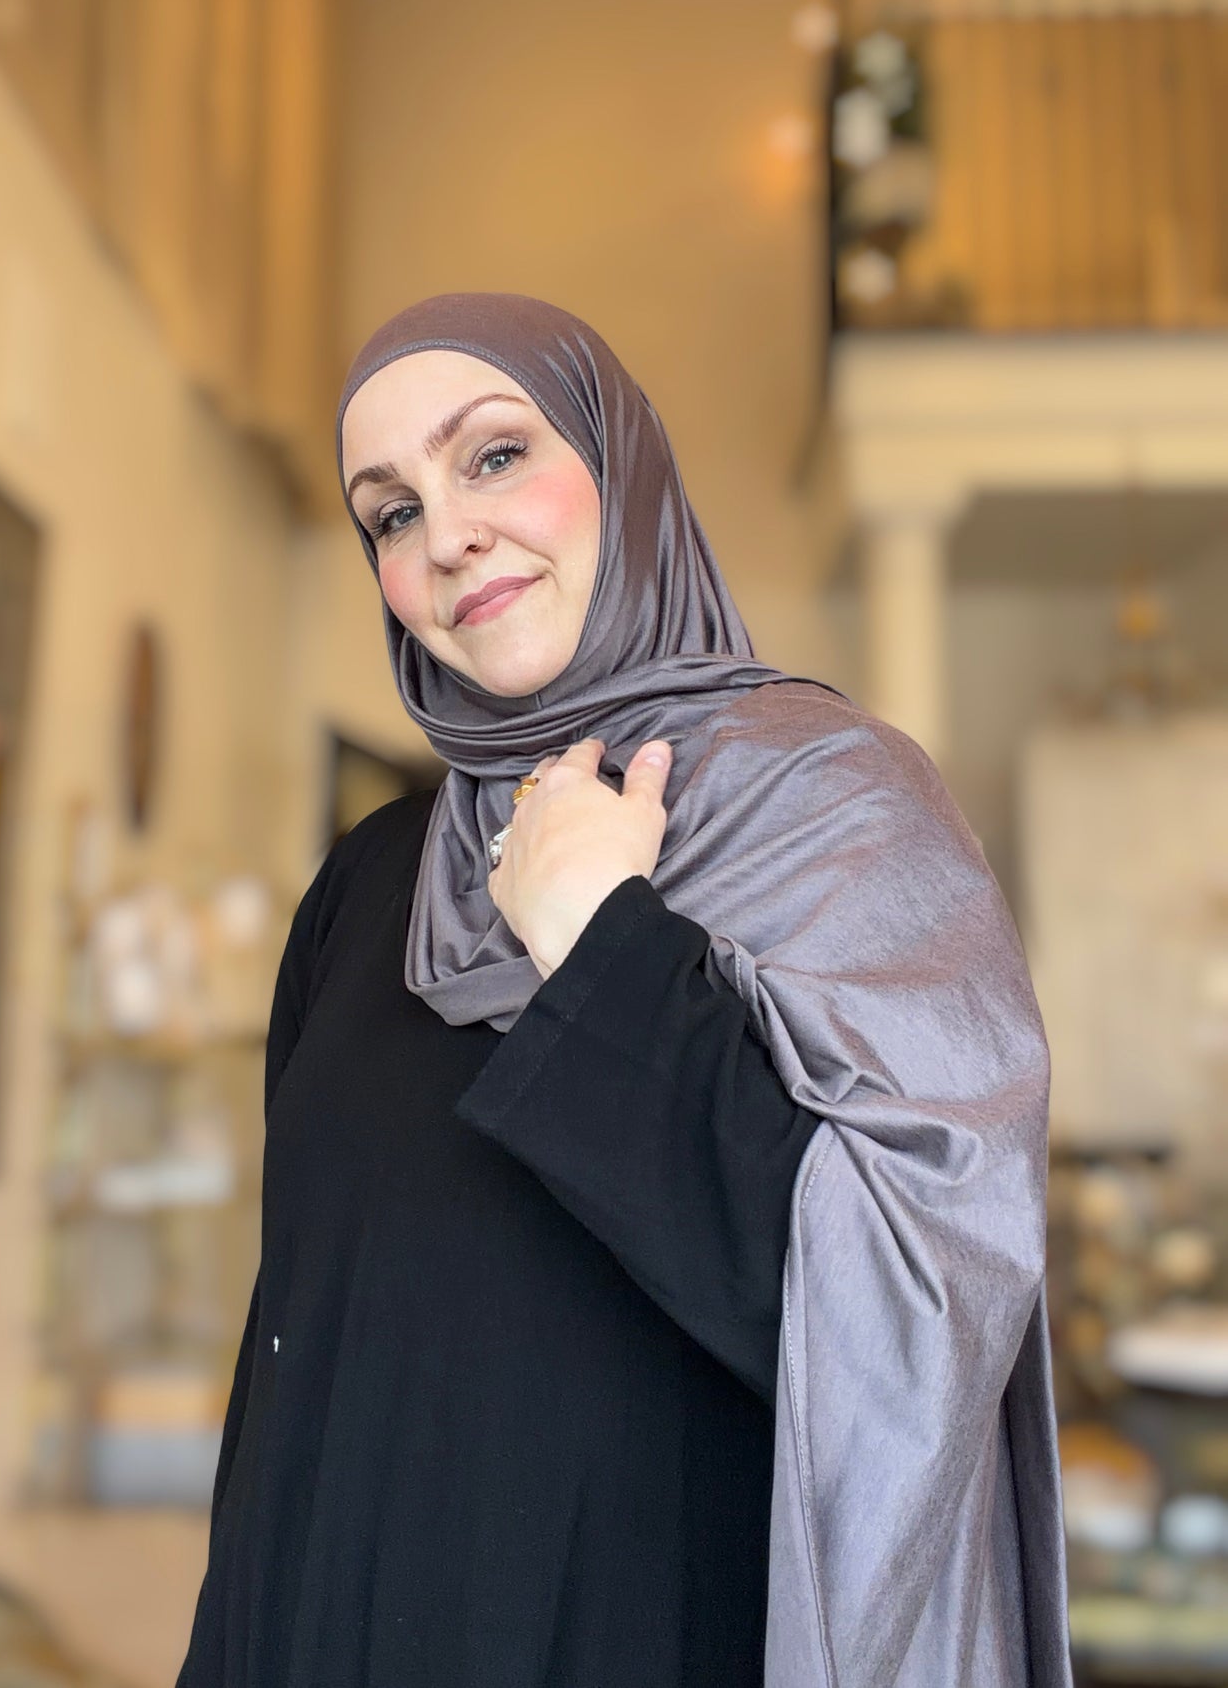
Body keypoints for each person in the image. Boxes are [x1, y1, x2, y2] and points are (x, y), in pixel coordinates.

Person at [175, 293, 1071, 1688]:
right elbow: (292, 1355)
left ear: (620, 464)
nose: (446, 534)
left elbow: (908, 1327)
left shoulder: (838, 811)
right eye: (388, 513)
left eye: (490, 456)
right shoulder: (367, 884)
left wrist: (601, 938)